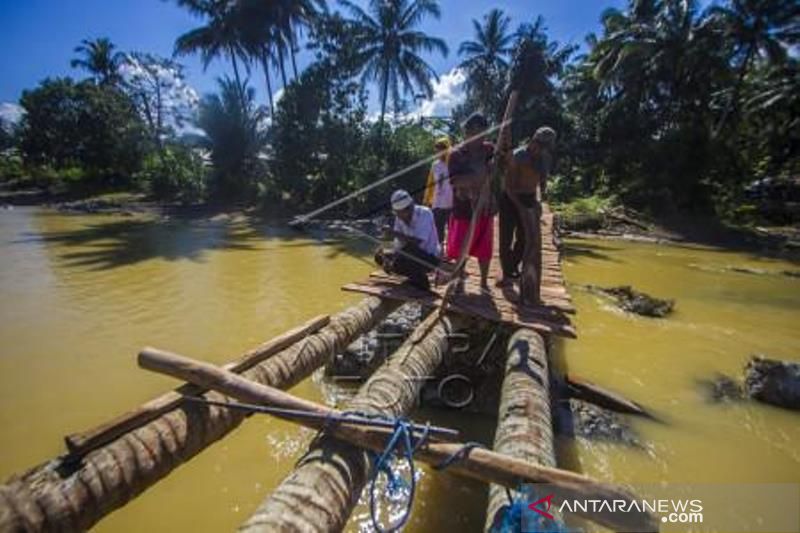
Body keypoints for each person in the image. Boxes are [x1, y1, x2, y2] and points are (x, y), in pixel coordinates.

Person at [496, 126, 557, 302]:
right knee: (506, 238)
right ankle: (506, 273)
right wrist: (520, 207)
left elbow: (543, 180)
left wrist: (541, 200)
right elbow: (508, 187)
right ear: (532, 141)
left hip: (529, 197)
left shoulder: (545, 158)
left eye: (545, 148)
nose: (540, 150)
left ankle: (511, 267)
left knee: (525, 238)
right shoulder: (517, 156)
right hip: (510, 198)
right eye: (539, 145)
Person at [446, 112, 495, 292]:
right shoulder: (456, 154)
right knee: (461, 247)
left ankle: (483, 282)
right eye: (474, 132)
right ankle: (459, 280)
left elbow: (499, 168)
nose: (478, 137)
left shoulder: (490, 150)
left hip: (484, 207)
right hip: (462, 208)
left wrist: (493, 167)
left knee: (485, 247)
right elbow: (455, 181)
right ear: (466, 132)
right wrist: (476, 177)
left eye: (482, 132)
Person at [374, 189, 440, 291]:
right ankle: (409, 273)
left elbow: (417, 242)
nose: (399, 217)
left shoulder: (425, 213)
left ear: (410, 208)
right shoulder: (399, 217)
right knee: (379, 254)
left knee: (403, 257)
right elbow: (398, 242)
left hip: (429, 256)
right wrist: (386, 252)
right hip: (409, 253)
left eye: (401, 213)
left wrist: (393, 233)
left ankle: (423, 283)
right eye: (397, 213)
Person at [423, 136, 453, 253]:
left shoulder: (453, 163)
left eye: (443, 148)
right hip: (437, 202)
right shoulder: (435, 165)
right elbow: (430, 183)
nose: (440, 150)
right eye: (438, 148)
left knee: (451, 228)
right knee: (438, 228)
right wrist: (427, 199)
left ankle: (451, 250)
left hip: (451, 202)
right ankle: (440, 251)